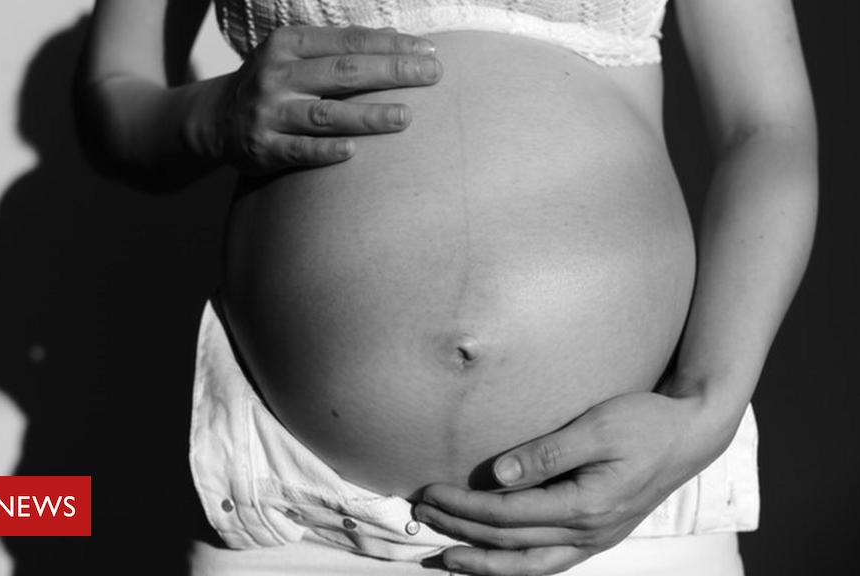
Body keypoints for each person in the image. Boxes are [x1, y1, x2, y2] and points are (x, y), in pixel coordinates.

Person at [76, 0, 817, 574]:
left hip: (619, 510)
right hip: (297, 518)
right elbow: (113, 94)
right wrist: (210, 114)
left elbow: (768, 129)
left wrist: (704, 410)